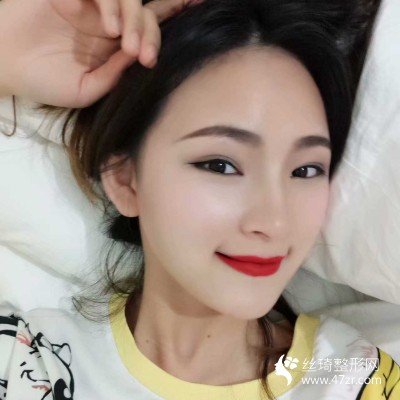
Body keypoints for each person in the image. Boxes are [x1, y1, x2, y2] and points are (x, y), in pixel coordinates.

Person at [0, 0, 399, 399]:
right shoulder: (28, 361)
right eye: (221, 165)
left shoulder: (356, 381)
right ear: (125, 179)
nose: (273, 222)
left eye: (305, 170)